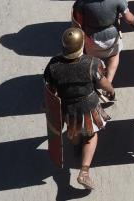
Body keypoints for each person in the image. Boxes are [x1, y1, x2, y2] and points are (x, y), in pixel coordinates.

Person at [44, 27, 115, 190]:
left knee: (73, 130)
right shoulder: (92, 63)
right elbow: (103, 82)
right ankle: (84, 172)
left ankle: (76, 145)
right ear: (81, 45)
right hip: (88, 106)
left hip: (68, 107)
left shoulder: (53, 65)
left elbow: (50, 89)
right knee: (91, 134)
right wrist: (111, 90)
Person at [72, 0, 134, 87]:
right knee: (114, 55)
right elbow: (128, 18)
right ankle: (109, 82)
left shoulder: (83, 0)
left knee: (94, 61)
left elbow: (77, 22)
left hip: (92, 39)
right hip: (112, 37)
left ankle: (97, 78)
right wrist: (133, 22)